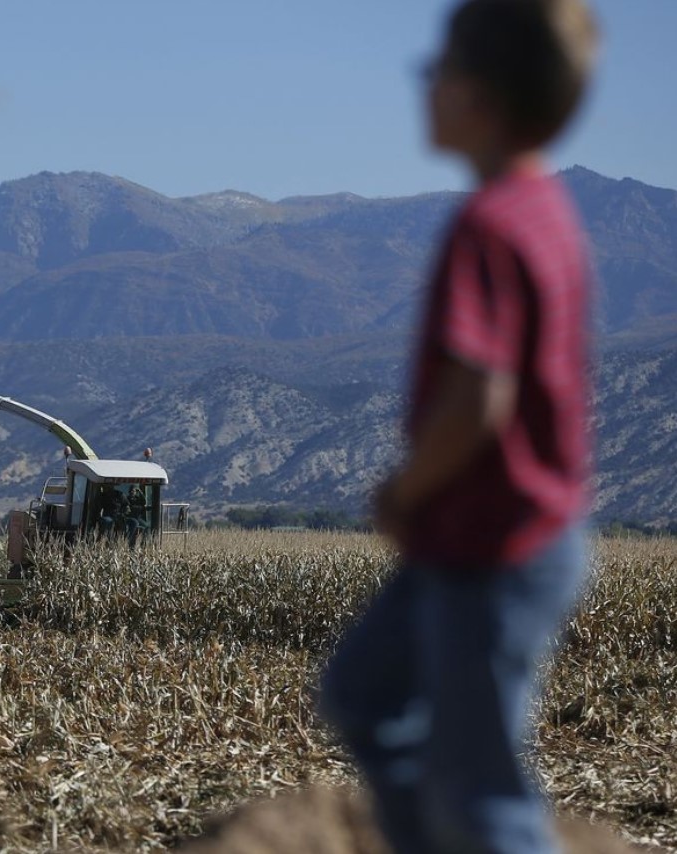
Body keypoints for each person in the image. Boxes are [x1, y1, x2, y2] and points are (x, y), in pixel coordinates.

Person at [317, 2, 599, 852]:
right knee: (365, 692)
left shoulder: (491, 224)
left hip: (492, 550)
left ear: (474, 95)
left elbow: (480, 398)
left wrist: (404, 489)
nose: (424, 87)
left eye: (433, 70)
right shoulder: (545, 213)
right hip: (485, 543)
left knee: (486, 795)